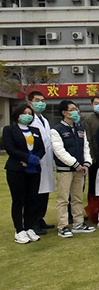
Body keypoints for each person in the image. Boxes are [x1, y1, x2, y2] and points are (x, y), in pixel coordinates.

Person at [50, 100, 95, 238]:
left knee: (77, 197)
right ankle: (63, 226)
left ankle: (78, 224)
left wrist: (86, 163)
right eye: (72, 109)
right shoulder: (56, 130)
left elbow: (86, 147)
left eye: (76, 109)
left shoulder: (80, 129)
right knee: (63, 199)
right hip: (65, 170)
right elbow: (59, 151)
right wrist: (75, 164)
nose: (76, 112)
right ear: (64, 113)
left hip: (80, 170)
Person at [2, 104, 45, 244]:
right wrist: (27, 158)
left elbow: (41, 149)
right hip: (16, 170)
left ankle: (29, 227)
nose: (27, 115)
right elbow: (10, 149)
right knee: (18, 200)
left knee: (32, 199)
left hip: (33, 170)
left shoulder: (35, 130)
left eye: (29, 113)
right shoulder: (9, 130)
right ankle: (19, 230)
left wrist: (34, 160)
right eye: (24, 113)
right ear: (17, 115)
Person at [27, 91, 55, 234]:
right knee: (35, 194)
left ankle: (40, 218)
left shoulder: (45, 120)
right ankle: (33, 222)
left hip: (47, 161)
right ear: (30, 102)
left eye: (43, 100)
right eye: (37, 100)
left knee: (45, 193)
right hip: (35, 161)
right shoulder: (29, 120)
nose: (41, 103)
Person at [81, 95, 99, 223]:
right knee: (94, 186)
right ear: (92, 105)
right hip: (95, 159)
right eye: (96, 103)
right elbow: (88, 140)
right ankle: (94, 212)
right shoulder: (88, 120)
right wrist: (91, 157)